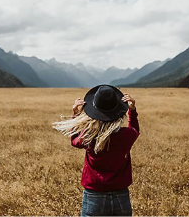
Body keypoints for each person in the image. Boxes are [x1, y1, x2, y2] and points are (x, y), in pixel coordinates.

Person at [53, 85, 140, 217]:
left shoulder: (89, 136)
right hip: (121, 195)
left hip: (94, 195)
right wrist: (132, 111)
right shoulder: (126, 135)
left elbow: (74, 140)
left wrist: (75, 114)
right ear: (118, 111)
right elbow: (135, 130)